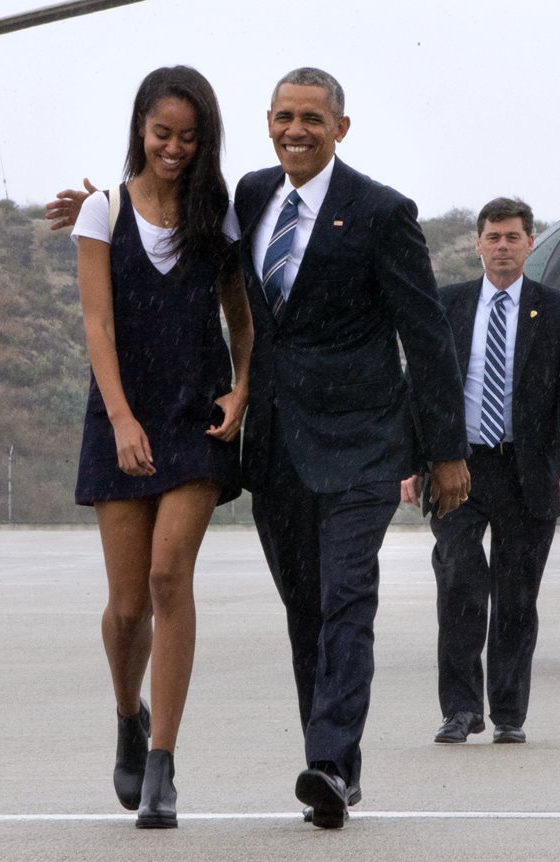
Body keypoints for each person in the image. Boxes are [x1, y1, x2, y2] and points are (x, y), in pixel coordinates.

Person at [50, 66, 469, 831]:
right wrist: (95, 211)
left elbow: (428, 336)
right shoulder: (247, 196)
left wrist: (446, 450)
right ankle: (320, 760)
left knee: (346, 598)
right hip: (275, 447)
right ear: (266, 122)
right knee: (299, 609)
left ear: (341, 127)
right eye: (283, 116)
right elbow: (161, 219)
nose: (295, 130)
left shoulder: (380, 212)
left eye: (312, 117)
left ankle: (330, 765)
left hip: (358, 443)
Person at [69, 65, 252, 828]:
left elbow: (240, 318)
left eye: (188, 136)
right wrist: (120, 418)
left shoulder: (220, 215)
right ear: (139, 129)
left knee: (169, 577)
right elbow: (99, 326)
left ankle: (164, 765)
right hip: (122, 413)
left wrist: (242, 389)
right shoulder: (100, 213)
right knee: (125, 606)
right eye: (162, 133)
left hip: (196, 416)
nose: (174, 147)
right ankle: (126, 714)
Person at [402, 198, 560, 746]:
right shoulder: (449, 305)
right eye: (493, 236)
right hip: (458, 468)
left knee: (515, 595)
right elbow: (423, 389)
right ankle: (461, 709)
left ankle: (509, 712)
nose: (503, 246)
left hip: (527, 471)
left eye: (513, 236)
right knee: (459, 583)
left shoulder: (558, 311)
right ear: (479, 243)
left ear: (531, 243)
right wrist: (412, 463)